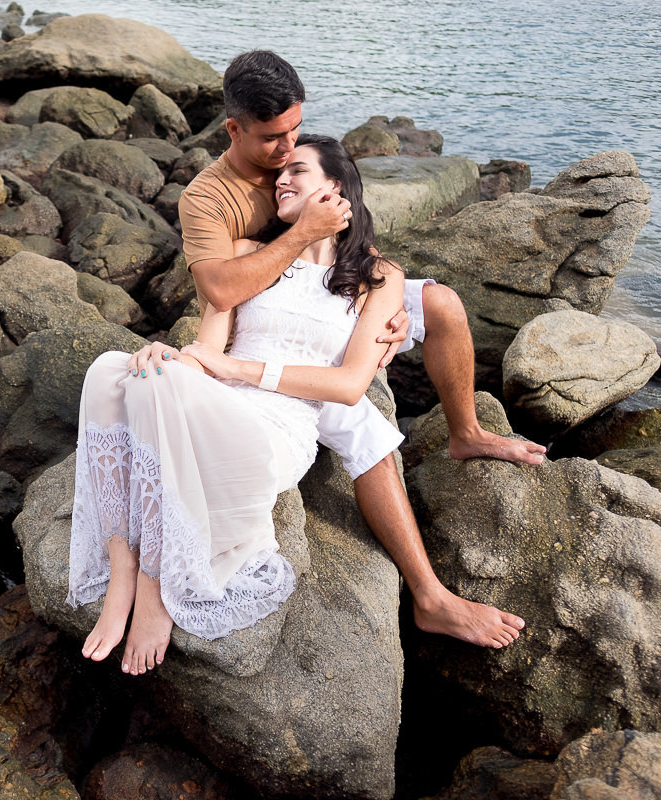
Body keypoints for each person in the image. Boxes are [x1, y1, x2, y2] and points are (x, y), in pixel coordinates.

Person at [175, 51, 540, 647]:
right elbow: (219, 288)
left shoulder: (300, 159)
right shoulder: (210, 198)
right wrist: (303, 237)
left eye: (296, 132)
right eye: (273, 141)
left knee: (442, 303)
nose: (286, 153)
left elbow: (349, 230)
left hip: (334, 287)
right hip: (270, 299)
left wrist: (380, 315)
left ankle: (466, 431)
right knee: (356, 417)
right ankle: (430, 595)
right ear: (233, 130)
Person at [69, 136, 412, 675]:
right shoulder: (250, 254)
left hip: (275, 429)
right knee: (115, 368)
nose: (282, 179)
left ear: (336, 189)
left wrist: (242, 370)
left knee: (153, 382)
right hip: (217, 402)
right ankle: (122, 570)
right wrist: (171, 357)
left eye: (298, 171)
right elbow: (208, 349)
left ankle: (157, 585)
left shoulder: (379, 277)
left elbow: (348, 385)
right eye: (281, 173)